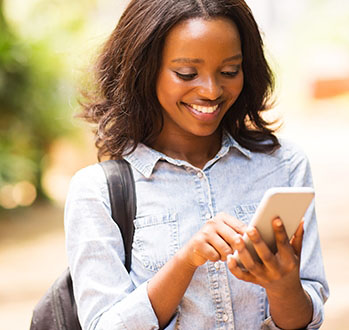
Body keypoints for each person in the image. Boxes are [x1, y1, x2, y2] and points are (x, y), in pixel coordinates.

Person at [65, 0, 329, 329]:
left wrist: (282, 286)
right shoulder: (98, 192)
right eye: (187, 73)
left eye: (229, 71)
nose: (211, 90)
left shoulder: (284, 166)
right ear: (145, 70)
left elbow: (308, 318)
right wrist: (186, 261)